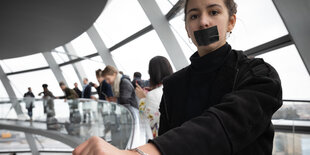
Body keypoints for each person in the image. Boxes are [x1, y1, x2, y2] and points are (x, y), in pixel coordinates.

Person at [73, 0, 283, 154]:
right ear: (187, 29)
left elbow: (223, 125)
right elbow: (167, 135)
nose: (203, 22)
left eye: (213, 11)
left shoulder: (259, 75)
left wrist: (140, 153)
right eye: (193, 16)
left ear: (231, 22)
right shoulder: (174, 84)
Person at [135, 56, 173, 138]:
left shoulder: (152, 95)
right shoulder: (175, 86)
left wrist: (142, 98)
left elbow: (148, 121)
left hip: (162, 137)